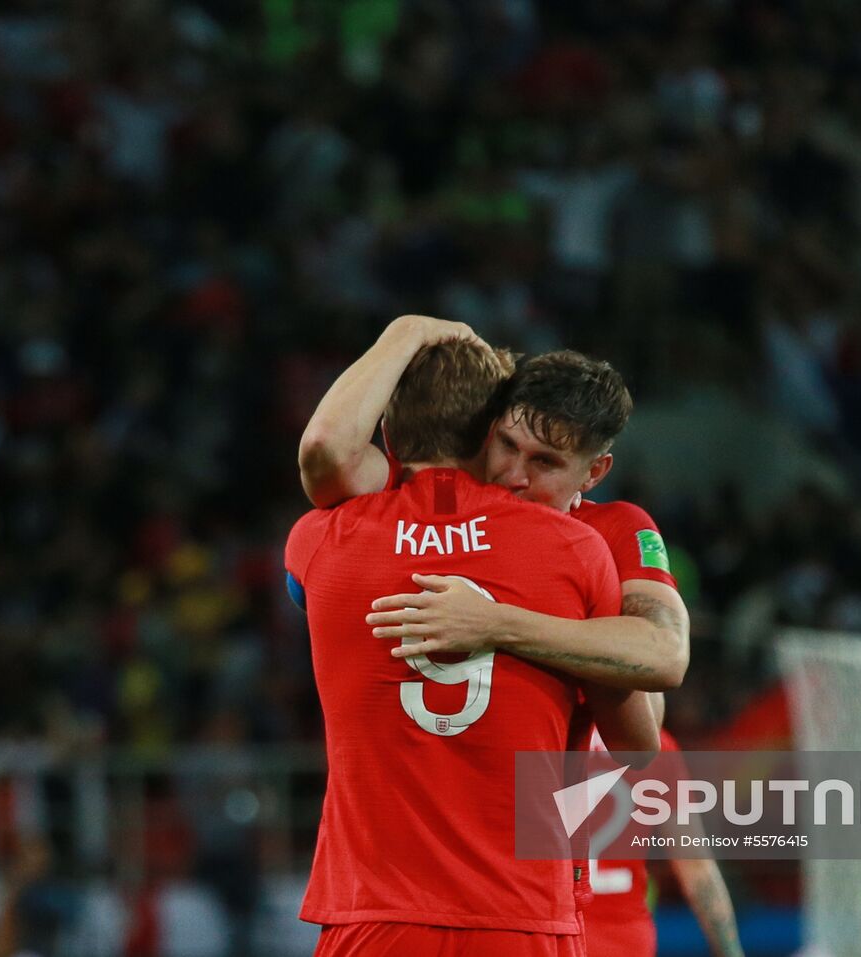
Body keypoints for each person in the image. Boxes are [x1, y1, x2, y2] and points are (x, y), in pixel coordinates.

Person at [299, 316, 743, 957]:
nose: (512, 475)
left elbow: (666, 653)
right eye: (505, 444)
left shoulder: (612, 531)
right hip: (506, 906)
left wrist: (497, 624)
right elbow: (639, 731)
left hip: (496, 894)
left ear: (595, 473)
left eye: (545, 463)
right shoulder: (574, 549)